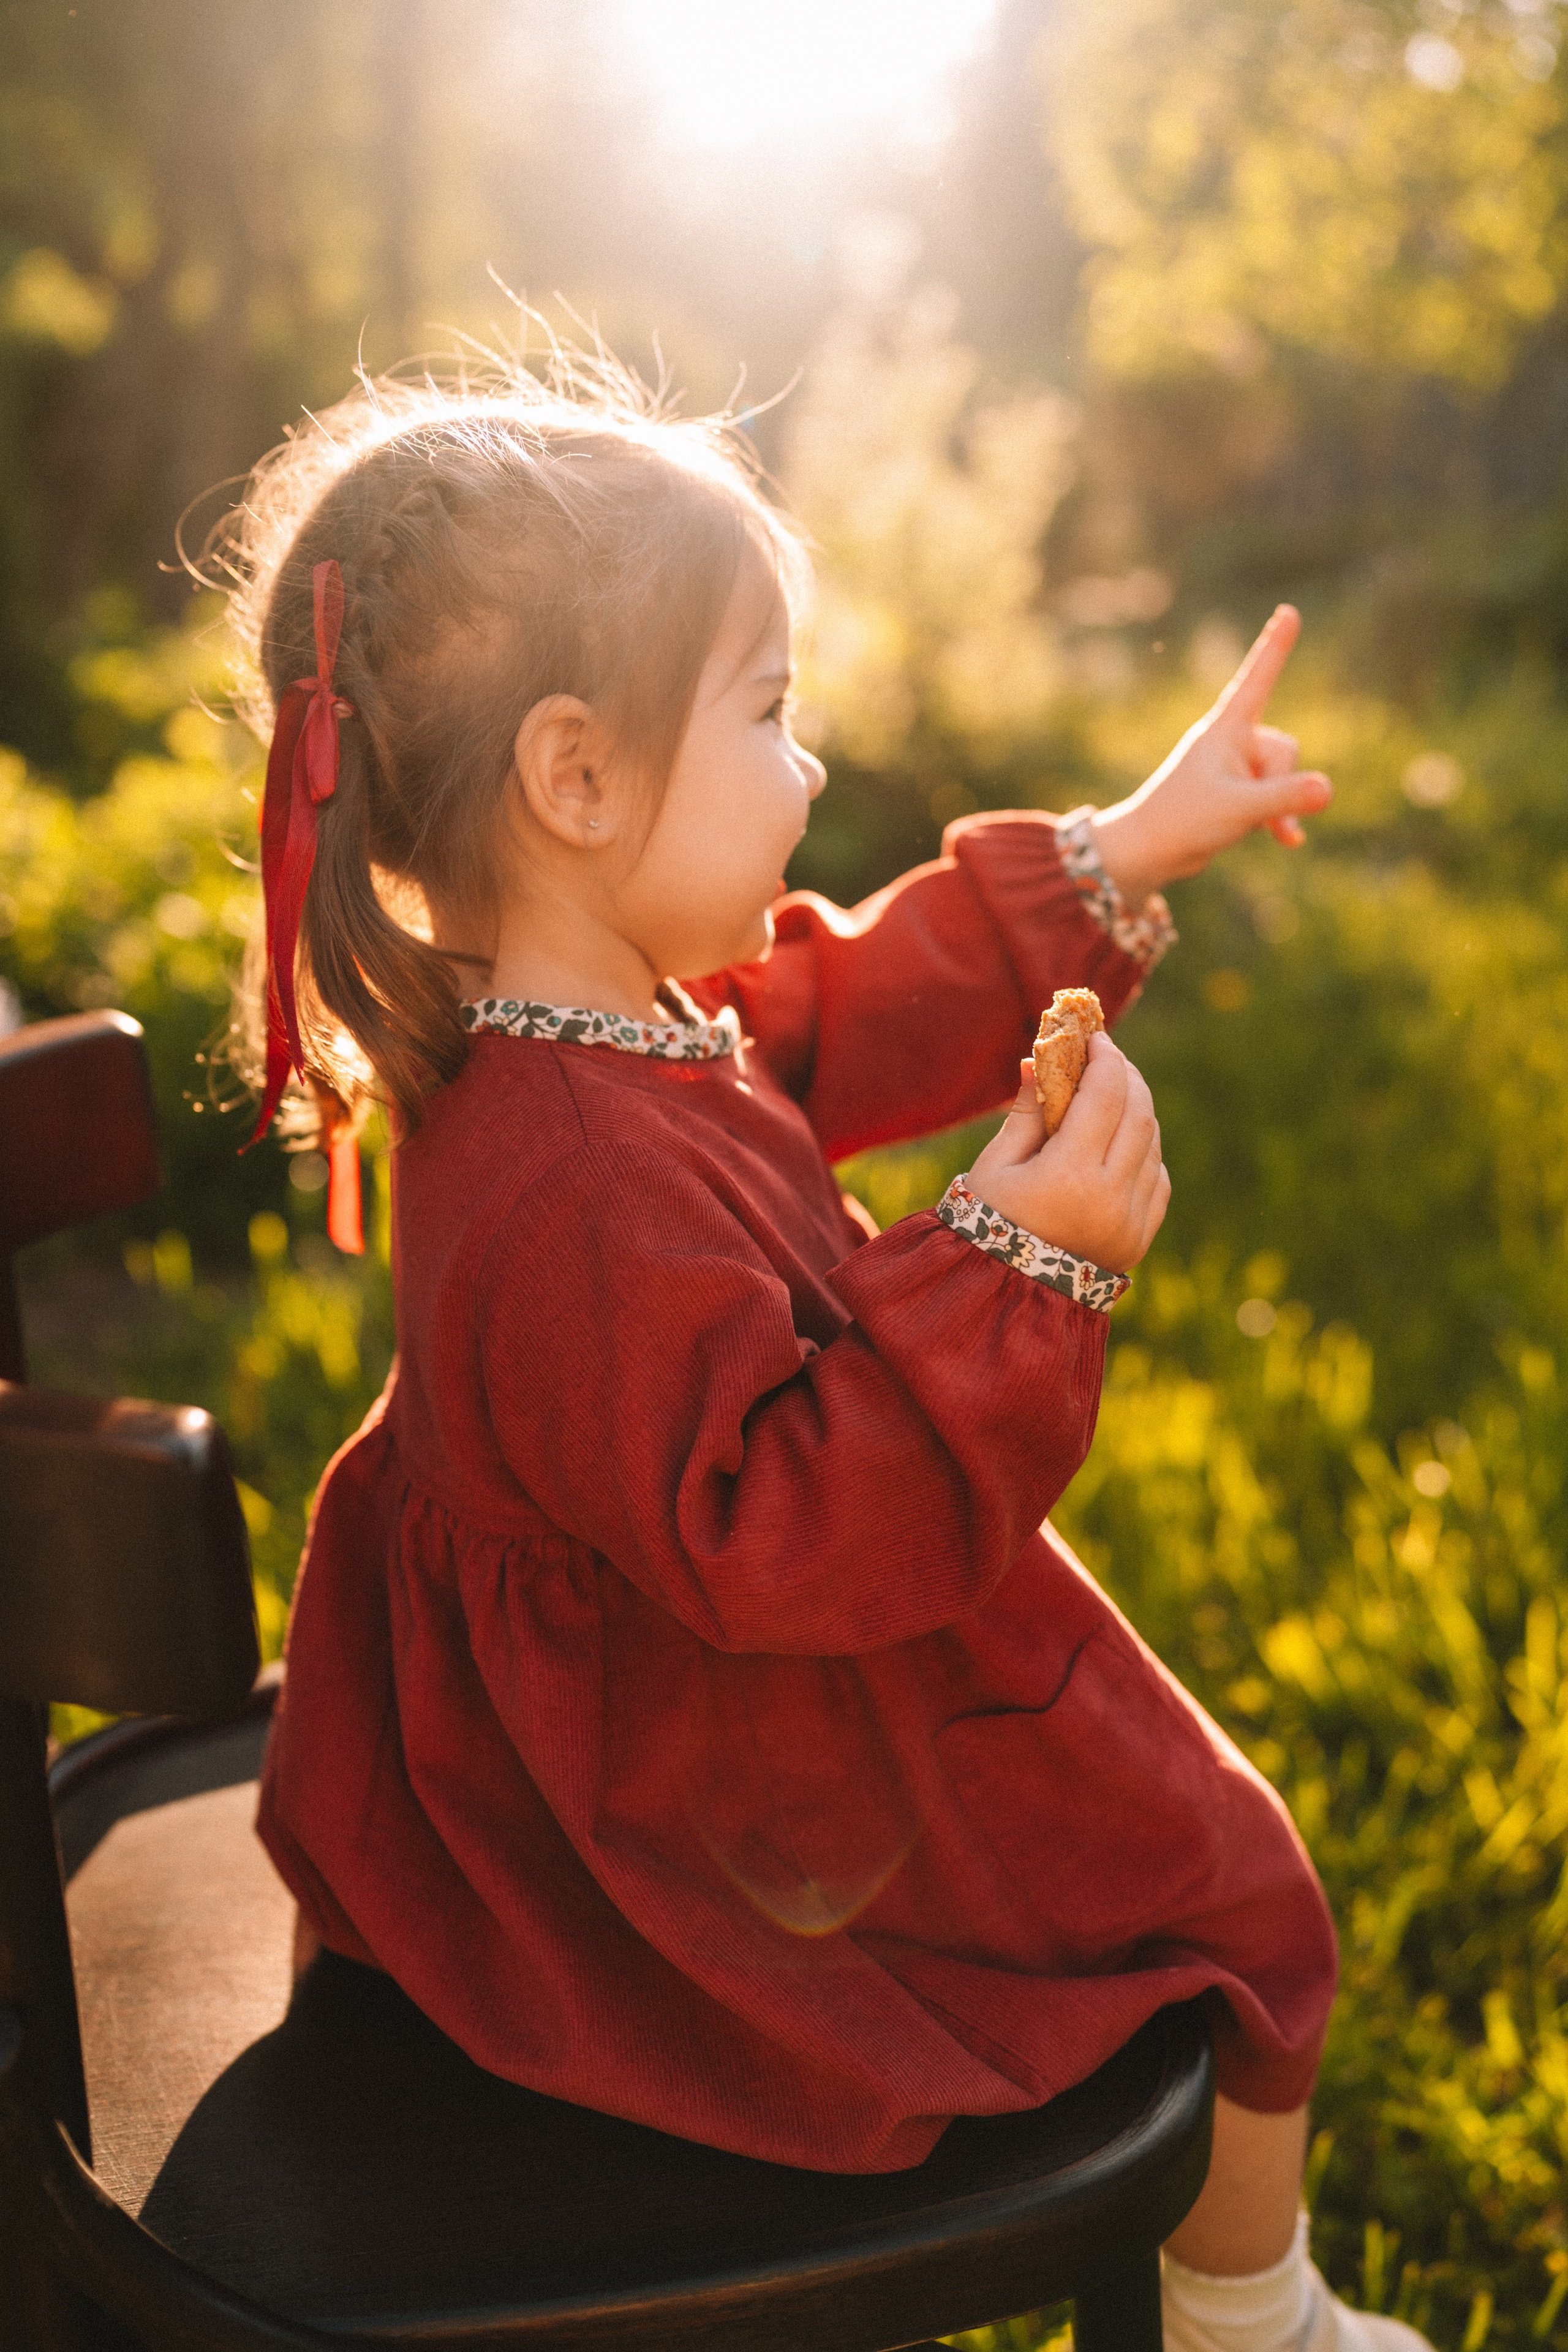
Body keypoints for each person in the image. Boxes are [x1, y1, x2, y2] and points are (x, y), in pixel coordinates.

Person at [222, 361, 1425, 2352]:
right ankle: (1251, 2317)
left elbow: (830, 1006)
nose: (810, 769)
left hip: (640, 1712)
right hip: (697, 1785)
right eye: (770, 715)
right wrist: (1019, 1260)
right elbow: (779, 1529)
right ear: (576, 779)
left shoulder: (591, 1016)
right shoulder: (570, 1185)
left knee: (1200, 1852)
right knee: (1223, 1886)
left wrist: (1121, 850)